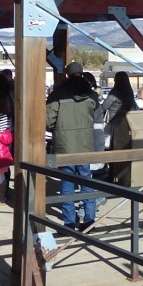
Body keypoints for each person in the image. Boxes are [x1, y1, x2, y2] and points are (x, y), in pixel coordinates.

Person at [46, 61, 99, 231]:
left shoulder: (57, 95)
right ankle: (89, 220)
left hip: (64, 145)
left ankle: (69, 223)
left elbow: (48, 121)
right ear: (82, 74)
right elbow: (95, 112)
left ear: (67, 75)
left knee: (67, 184)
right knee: (86, 181)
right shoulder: (91, 95)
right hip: (85, 143)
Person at [101, 71, 137, 151]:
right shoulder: (129, 92)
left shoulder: (115, 92)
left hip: (114, 121)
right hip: (127, 121)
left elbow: (104, 107)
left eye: (115, 78)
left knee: (105, 139)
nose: (114, 80)